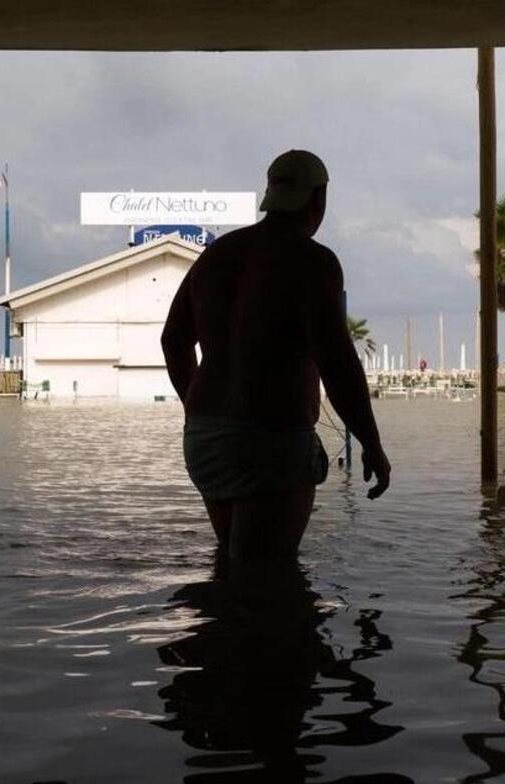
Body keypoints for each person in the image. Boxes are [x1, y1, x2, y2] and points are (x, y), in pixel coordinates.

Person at [161, 149, 390, 559]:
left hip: (205, 439)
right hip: (272, 440)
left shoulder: (217, 255)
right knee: (270, 582)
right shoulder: (314, 261)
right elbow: (338, 363)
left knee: (233, 570)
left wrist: (195, 407)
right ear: (318, 200)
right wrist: (371, 443)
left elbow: (173, 340)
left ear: (270, 195)